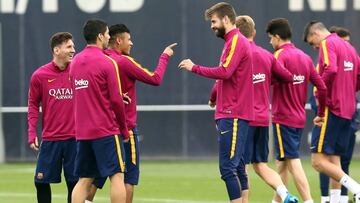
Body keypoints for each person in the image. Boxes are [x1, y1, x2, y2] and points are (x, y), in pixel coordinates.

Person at [85, 24, 177, 203]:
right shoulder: (123, 61)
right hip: (124, 127)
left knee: (94, 175)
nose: (131, 43)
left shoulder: (99, 59)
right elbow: (155, 78)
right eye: (129, 39)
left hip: (101, 128)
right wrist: (165, 56)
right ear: (118, 41)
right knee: (128, 176)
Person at [178, 2, 254, 202]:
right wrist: (214, 97)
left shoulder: (236, 40)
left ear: (226, 19)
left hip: (233, 114)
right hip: (231, 113)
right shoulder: (231, 42)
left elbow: (224, 72)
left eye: (214, 21)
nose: (211, 26)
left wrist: (194, 67)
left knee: (228, 168)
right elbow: (226, 77)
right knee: (236, 166)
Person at [230, 15, 298, 203]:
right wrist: (266, 79)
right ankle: (285, 194)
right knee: (261, 165)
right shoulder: (266, 55)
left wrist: (213, 99)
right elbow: (287, 76)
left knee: (240, 167)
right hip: (262, 118)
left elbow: (222, 81)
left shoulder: (237, 53)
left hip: (244, 118)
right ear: (254, 32)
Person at [266, 18, 328, 203]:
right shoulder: (305, 57)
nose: (270, 42)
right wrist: (321, 113)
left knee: (292, 160)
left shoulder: (279, 57)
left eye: (270, 38)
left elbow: (265, 82)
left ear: (277, 37)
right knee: (282, 163)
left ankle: (308, 200)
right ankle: (277, 200)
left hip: (283, 117)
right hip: (299, 118)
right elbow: (322, 87)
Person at [70, 19, 130, 203]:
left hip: (82, 132)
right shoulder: (107, 62)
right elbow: (115, 100)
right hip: (105, 130)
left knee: (84, 179)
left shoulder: (75, 62)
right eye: (107, 34)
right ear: (99, 36)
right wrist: (124, 129)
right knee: (117, 176)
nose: (108, 38)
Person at [303, 21, 360, 203]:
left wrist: (320, 88)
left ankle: (357, 189)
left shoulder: (328, 43)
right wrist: (348, 91)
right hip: (348, 110)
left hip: (332, 109)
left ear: (316, 33)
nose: (315, 47)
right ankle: (337, 201)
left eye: (312, 43)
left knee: (318, 161)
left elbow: (331, 69)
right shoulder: (349, 47)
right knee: (334, 160)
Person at [27, 32, 77, 203]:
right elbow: (33, 104)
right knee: (40, 182)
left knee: (74, 184)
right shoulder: (40, 75)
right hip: (51, 140)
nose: (73, 50)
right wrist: (32, 131)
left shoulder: (79, 71)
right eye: (69, 46)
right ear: (57, 50)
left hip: (75, 139)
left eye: (73, 46)